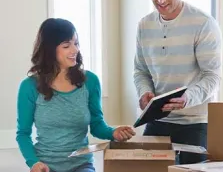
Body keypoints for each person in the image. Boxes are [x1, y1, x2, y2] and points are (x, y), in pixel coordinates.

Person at [16, 18, 136, 172]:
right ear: (49, 50)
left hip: (81, 165)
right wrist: (33, 163)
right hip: (45, 166)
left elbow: (97, 125)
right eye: (67, 45)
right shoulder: (29, 87)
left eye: (76, 43)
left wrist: (113, 133)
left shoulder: (90, 81)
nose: (75, 50)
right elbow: (23, 134)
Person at [134, 0, 222, 164]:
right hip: (157, 120)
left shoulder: (203, 24)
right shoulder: (144, 25)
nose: (161, 0)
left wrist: (187, 98)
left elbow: (212, 76)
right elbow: (141, 70)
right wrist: (144, 91)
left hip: (195, 123)